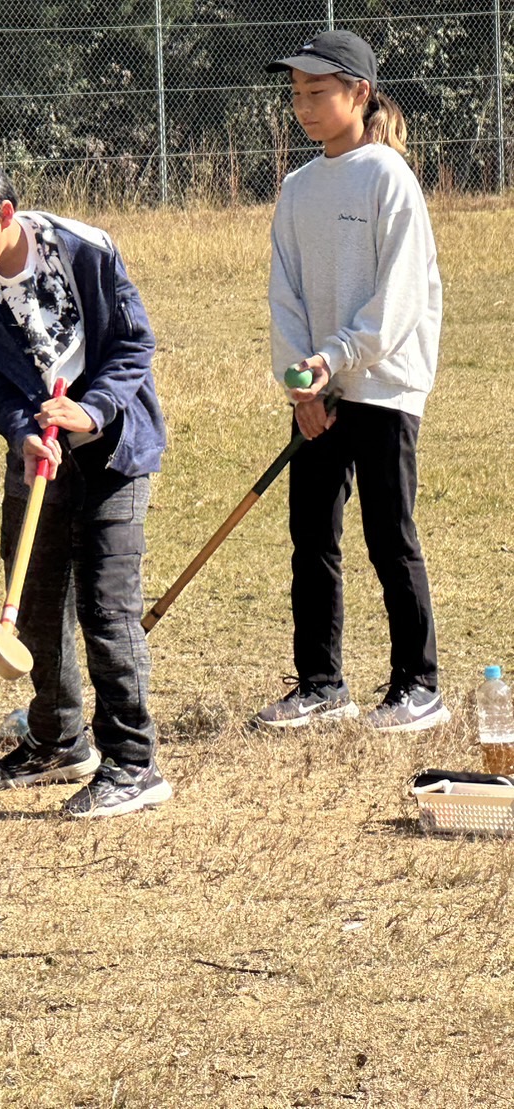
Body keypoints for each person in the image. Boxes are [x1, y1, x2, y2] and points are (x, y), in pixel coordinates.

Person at [0, 150, 170, 818]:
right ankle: (57, 738)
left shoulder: (84, 250)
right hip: (39, 462)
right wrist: (21, 429)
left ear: (2, 215)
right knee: (33, 597)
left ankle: (133, 763)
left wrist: (91, 409)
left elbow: (133, 345)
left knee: (105, 608)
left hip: (114, 450)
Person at [254, 30, 449, 732]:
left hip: (382, 388)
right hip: (319, 393)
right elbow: (286, 294)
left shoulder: (387, 178)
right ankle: (319, 683)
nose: (303, 106)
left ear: (358, 94)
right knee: (311, 536)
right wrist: (300, 385)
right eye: (296, 93)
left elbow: (397, 301)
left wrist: (332, 360)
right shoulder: (298, 187)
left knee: (386, 534)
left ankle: (417, 684)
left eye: (317, 92)